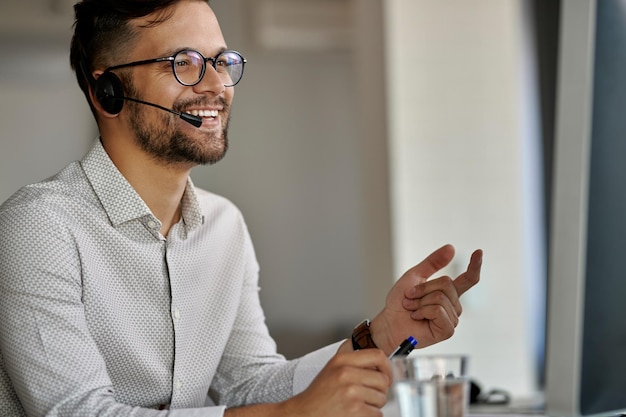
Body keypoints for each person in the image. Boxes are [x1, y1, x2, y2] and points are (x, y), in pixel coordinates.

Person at [0, 0, 483, 416]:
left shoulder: (225, 227)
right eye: (184, 62)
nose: (216, 85)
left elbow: (249, 385)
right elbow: (77, 412)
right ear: (107, 92)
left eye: (222, 61)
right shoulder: (38, 228)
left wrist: (379, 335)